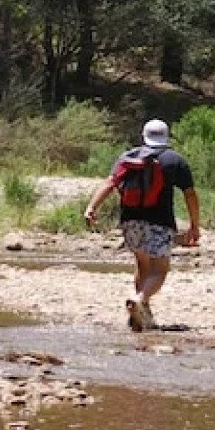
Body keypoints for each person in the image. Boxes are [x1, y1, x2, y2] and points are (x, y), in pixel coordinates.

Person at [82, 118, 200, 332]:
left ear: (143, 136)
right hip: (160, 221)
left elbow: (110, 182)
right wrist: (194, 225)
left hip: (130, 220)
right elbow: (190, 195)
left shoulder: (129, 157)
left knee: (143, 264)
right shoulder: (175, 160)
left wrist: (91, 207)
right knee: (160, 269)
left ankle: (142, 315)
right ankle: (139, 299)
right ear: (167, 136)